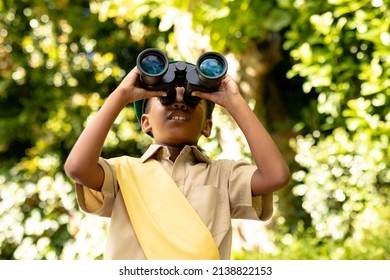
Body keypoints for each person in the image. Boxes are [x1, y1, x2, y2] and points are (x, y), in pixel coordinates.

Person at [64, 58, 291, 260]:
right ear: (146, 122)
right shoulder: (123, 172)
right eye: (166, 98)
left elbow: (276, 175)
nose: (180, 102)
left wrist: (234, 101)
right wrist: (121, 95)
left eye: (193, 100)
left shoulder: (224, 175)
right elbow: (77, 167)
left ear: (207, 126)